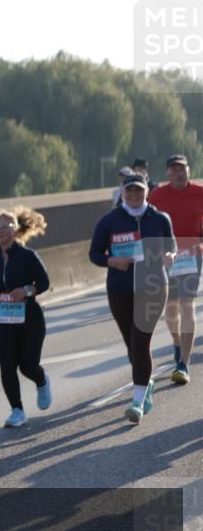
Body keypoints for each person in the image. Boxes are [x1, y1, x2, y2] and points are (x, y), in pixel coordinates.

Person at [89, 173, 176, 423]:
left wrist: (170, 255)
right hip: (120, 288)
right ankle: (145, 383)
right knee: (132, 345)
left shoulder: (160, 219)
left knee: (141, 342)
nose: (134, 195)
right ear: (123, 192)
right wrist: (110, 260)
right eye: (130, 191)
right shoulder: (109, 221)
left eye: (139, 190)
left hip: (154, 286)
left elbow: (171, 245)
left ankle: (137, 402)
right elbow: (94, 253)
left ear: (147, 191)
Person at [0, 207, 52, 427]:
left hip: (29, 318)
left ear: (15, 229)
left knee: (28, 365)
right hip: (2, 320)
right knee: (7, 366)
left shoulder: (27, 256)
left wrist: (27, 291)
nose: (1, 231)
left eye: (6, 226)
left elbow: (44, 283)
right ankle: (17, 410)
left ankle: (41, 380)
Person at [149, 154, 203, 384]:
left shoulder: (199, 193)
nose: (178, 173)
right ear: (168, 173)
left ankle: (184, 364)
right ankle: (177, 343)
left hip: (192, 256)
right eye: (174, 169)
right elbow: (148, 222)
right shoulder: (158, 195)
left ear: (189, 171)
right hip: (167, 258)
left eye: (182, 168)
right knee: (171, 308)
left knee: (187, 305)